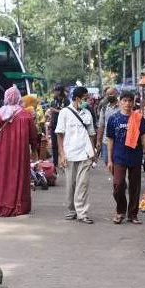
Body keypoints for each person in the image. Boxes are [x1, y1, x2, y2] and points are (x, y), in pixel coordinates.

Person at [0, 86, 38, 217]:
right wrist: (34, 149)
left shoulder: (0, 113)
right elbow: (34, 136)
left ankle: (2, 204)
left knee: (3, 175)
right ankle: (19, 205)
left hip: (3, 151)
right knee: (19, 175)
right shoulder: (25, 114)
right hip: (20, 152)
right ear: (18, 98)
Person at [106, 91, 145, 224]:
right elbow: (110, 140)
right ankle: (120, 210)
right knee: (118, 185)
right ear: (120, 102)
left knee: (135, 187)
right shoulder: (113, 119)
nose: (127, 104)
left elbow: (144, 137)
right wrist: (109, 159)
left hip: (135, 156)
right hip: (119, 156)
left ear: (133, 103)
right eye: (125, 101)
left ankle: (132, 214)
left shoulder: (139, 118)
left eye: (130, 101)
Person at [56, 86, 96, 224]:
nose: (87, 101)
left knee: (83, 184)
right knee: (70, 184)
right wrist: (62, 154)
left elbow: (91, 134)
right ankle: (72, 210)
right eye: (85, 99)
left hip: (85, 153)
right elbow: (59, 135)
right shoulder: (64, 113)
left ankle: (82, 212)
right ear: (77, 99)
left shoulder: (87, 113)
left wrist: (93, 152)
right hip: (69, 154)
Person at [47, 85, 69, 168]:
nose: (54, 93)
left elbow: (67, 112)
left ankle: (64, 161)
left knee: (63, 145)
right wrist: (50, 121)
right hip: (53, 126)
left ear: (59, 91)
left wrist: (55, 110)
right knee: (54, 146)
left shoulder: (66, 101)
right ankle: (55, 163)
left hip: (63, 127)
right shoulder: (53, 101)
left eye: (55, 91)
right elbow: (52, 113)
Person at [96, 87, 120, 165]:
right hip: (106, 140)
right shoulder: (104, 108)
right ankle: (116, 176)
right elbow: (101, 125)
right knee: (106, 160)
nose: (109, 96)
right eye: (107, 95)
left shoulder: (122, 106)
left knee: (118, 163)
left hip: (120, 140)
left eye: (111, 94)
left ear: (116, 94)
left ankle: (117, 176)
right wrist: (98, 141)